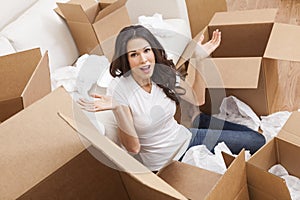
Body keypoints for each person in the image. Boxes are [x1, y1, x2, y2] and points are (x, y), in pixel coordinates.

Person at [78, 25, 265, 172]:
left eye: (146, 50)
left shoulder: (162, 74)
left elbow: (197, 99)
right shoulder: (120, 90)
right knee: (253, 148)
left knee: (258, 140)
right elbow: (133, 148)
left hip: (187, 138)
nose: (144, 59)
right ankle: (200, 121)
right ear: (125, 59)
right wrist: (118, 107)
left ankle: (199, 120)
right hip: (167, 164)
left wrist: (199, 60)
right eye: (134, 54)